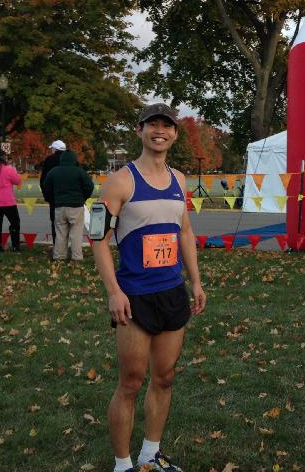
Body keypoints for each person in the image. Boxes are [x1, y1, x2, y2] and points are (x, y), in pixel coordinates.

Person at [93, 103, 206, 472]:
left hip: (172, 291)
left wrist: (196, 281)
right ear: (140, 130)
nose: (160, 131)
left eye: (167, 126)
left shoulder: (179, 180)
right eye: (153, 125)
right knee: (131, 382)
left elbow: (185, 231)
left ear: (174, 133)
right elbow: (97, 237)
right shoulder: (121, 181)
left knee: (165, 377)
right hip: (135, 295)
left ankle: (149, 455)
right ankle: (122, 464)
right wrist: (113, 290)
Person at [42, 149, 94, 262]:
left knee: (60, 232)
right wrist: (83, 197)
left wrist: (52, 199)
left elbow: (46, 186)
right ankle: (76, 257)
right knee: (76, 233)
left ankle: (59, 256)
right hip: (76, 205)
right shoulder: (79, 172)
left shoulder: (54, 171)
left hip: (59, 205)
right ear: (74, 159)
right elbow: (89, 186)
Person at [0, 149, 22, 252]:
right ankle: (15, 246)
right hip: (8, 201)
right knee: (15, 223)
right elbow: (17, 181)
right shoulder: (9, 169)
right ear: (4, 158)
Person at [40, 139, 66, 244]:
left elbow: (43, 180)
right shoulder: (72, 161)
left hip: (54, 197)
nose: (51, 150)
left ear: (55, 149)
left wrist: (47, 195)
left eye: (52, 149)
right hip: (70, 197)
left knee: (55, 222)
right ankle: (69, 247)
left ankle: (57, 246)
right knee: (69, 224)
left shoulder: (49, 160)